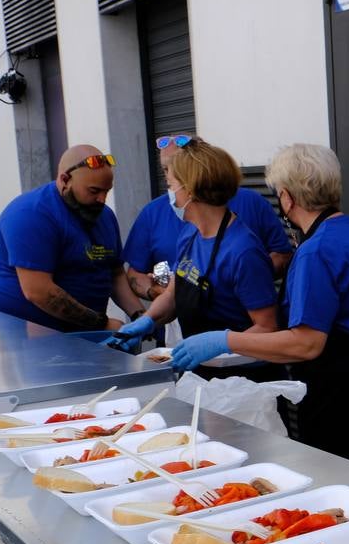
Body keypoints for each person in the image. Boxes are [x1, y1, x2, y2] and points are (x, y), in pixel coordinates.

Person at [171, 143, 349, 478]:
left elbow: (306, 343)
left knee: (348, 480)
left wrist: (225, 340)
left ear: (287, 198)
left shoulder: (316, 250)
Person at [106, 139, 281, 380]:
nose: (170, 193)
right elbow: (173, 294)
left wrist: (222, 345)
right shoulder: (190, 233)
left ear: (191, 189)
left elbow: (267, 327)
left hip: (243, 380)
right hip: (200, 372)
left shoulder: (243, 251)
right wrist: (147, 321)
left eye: (172, 185)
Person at [0, 145, 145, 332]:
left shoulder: (104, 216)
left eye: (107, 191)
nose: (102, 199)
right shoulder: (31, 214)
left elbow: (115, 273)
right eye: (94, 191)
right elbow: (39, 291)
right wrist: (102, 324)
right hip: (14, 328)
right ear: (65, 180)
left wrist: (139, 315)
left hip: (74, 331)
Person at [122, 133, 294, 303]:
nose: (168, 180)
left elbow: (282, 255)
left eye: (174, 171)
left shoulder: (245, 228)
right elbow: (142, 277)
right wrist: (157, 298)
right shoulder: (185, 234)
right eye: (165, 170)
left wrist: (247, 279)